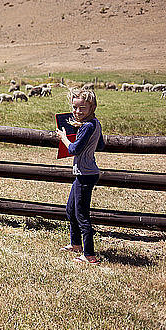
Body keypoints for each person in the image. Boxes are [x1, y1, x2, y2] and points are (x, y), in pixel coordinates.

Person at [56, 88, 105, 265]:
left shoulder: (87, 126)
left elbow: (74, 149)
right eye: (75, 107)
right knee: (71, 209)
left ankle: (89, 254)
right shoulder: (95, 124)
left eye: (82, 108)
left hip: (85, 174)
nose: (77, 111)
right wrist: (82, 133)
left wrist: (64, 138)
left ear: (92, 107)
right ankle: (76, 244)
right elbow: (100, 144)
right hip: (84, 173)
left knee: (82, 214)